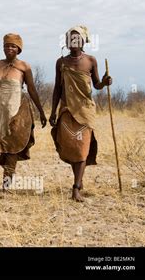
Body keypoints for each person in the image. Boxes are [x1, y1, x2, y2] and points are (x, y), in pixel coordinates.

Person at [50, 25, 112, 202]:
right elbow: (57, 88)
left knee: (82, 148)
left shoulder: (91, 61)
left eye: (77, 38)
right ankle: (79, 178)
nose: (73, 41)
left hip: (85, 110)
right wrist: (53, 111)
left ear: (84, 41)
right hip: (66, 109)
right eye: (70, 38)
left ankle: (76, 188)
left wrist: (105, 82)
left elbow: (97, 84)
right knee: (71, 147)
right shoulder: (61, 62)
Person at [0, 33, 47, 189]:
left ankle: (6, 183)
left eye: (13, 46)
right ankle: (8, 170)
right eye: (6, 45)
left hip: (16, 112)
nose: (9, 49)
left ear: (19, 49)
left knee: (12, 147)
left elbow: (32, 89)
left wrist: (41, 111)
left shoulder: (24, 67)